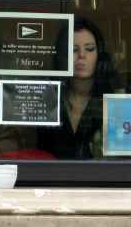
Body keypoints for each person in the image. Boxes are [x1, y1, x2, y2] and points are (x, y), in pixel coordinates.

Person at [37, 18, 116, 159]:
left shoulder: (113, 102)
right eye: (73, 49)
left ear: (100, 55)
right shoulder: (48, 98)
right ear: (62, 55)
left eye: (90, 49)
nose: (82, 56)